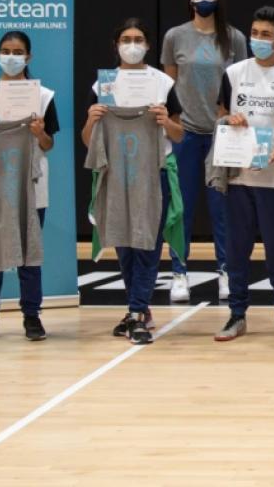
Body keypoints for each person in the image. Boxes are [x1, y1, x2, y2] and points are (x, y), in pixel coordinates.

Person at [83, 18, 184, 345]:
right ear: (116, 45)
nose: (132, 45)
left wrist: (165, 121)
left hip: (153, 171)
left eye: (138, 39)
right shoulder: (104, 84)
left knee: (147, 243)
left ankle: (138, 312)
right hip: (116, 172)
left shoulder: (163, 83)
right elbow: (88, 141)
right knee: (124, 243)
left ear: (148, 45)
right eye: (126, 39)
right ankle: (137, 308)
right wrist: (91, 121)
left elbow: (179, 135)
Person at [212, 6, 274, 342]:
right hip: (239, 177)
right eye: (255, 33)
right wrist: (229, 121)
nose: (258, 39)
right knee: (237, 250)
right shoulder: (234, 73)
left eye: (266, 34)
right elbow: (220, 117)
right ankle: (237, 314)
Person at [0, 31, 59, 344]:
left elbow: (48, 144)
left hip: (30, 186)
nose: (11, 56)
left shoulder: (43, 96)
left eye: (18, 52)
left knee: (29, 253)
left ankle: (31, 315)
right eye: (6, 51)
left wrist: (39, 133)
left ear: (28, 57)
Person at [161, 0, 248, 303]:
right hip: (185, 131)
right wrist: (172, 124)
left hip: (222, 132)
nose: (203, 0)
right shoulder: (175, 36)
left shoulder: (234, 37)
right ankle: (179, 272)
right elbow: (169, 87)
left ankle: (225, 270)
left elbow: (241, 84)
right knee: (180, 206)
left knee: (221, 207)